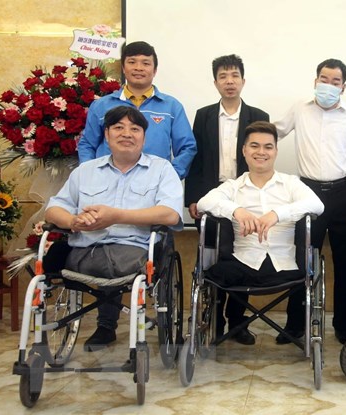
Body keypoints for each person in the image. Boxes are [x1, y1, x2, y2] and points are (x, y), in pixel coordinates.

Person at [46, 106, 184, 351]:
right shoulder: (85, 171)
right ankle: (104, 326)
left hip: (134, 252)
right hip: (84, 251)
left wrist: (117, 217)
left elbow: (170, 214)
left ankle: (107, 325)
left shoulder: (162, 169)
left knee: (116, 261)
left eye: (135, 129)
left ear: (144, 137)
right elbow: (54, 208)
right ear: (107, 135)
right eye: (118, 127)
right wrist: (72, 221)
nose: (126, 133)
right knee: (56, 259)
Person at [197, 121, 324, 344]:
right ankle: (233, 325)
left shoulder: (290, 184)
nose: (261, 152)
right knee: (216, 271)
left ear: (275, 151)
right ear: (244, 150)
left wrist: (277, 214)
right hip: (243, 262)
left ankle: (294, 328)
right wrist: (236, 210)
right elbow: (203, 203)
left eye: (268, 146)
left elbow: (317, 205)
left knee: (306, 270)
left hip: (284, 265)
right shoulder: (233, 186)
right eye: (254, 146)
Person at [275, 58, 346, 344]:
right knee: (301, 259)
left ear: (343, 87)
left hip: (344, 193)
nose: (328, 85)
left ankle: (343, 326)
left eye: (335, 81)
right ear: (315, 81)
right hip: (308, 192)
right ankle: (295, 325)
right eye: (324, 79)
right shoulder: (299, 109)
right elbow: (275, 132)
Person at [185, 54, 269, 345]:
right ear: (215, 82)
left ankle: (237, 321)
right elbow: (196, 159)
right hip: (213, 197)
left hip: (245, 198)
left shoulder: (258, 115)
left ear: (243, 81)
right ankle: (214, 321)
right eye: (223, 76)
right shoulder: (204, 115)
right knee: (213, 259)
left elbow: (262, 159)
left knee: (244, 258)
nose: (229, 81)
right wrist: (193, 198)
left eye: (234, 76)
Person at [78, 41, 196, 179]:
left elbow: (187, 147)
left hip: (154, 183)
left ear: (155, 70)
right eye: (132, 62)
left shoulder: (172, 107)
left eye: (145, 63)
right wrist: (90, 174)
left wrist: (170, 176)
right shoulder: (101, 106)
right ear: (123, 68)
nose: (138, 68)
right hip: (107, 181)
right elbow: (87, 144)